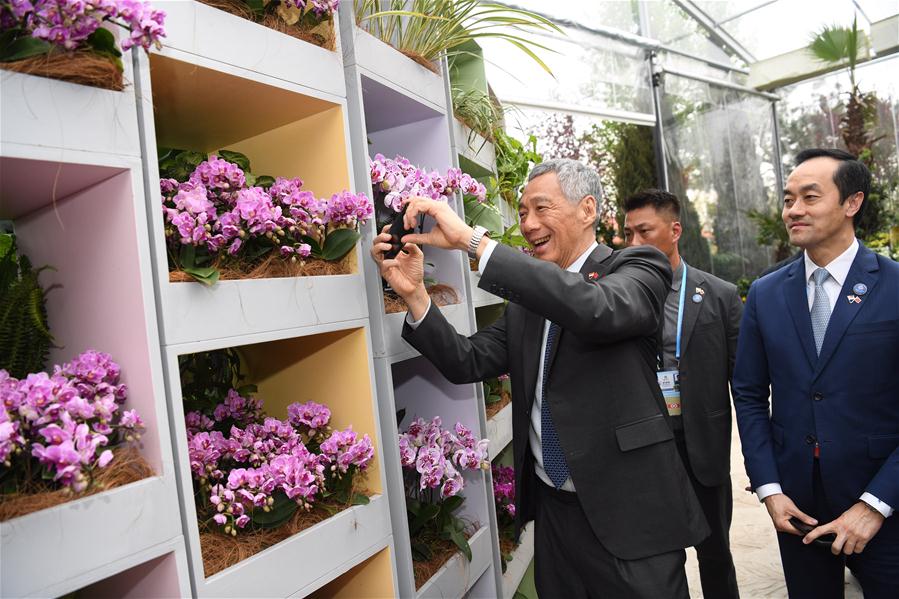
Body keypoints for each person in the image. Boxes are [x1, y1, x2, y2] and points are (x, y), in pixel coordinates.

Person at [371, 159, 708, 598]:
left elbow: (595, 309)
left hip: (631, 517)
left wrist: (475, 243)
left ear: (587, 210)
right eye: (523, 212)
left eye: (540, 208)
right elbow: (467, 361)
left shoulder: (638, 267)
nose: (528, 224)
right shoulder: (527, 302)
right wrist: (415, 295)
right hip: (555, 518)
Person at [733, 148, 899, 598]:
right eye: (788, 200)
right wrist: (770, 487)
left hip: (882, 501)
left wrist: (876, 505)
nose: (794, 210)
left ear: (852, 203)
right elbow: (748, 394)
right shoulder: (766, 294)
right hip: (797, 505)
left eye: (809, 197)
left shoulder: (894, 285)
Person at [624, 189, 742, 599]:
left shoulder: (720, 295)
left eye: (644, 231)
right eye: (628, 233)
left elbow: (741, 384)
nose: (633, 243)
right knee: (658, 562)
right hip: (645, 450)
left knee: (715, 555)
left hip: (702, 449)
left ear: (674, 230)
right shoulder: (617, 293)